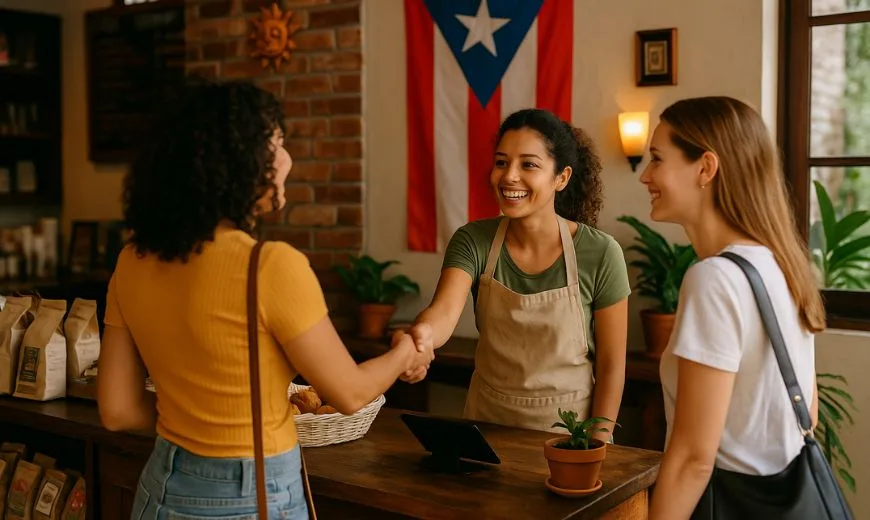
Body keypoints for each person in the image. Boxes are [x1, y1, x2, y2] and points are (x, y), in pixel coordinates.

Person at [96, 80, 432, 520]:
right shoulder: (269, 266)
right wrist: (408, 349)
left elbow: (118, 411)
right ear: (239, 163)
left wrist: (196, 413)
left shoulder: (131, 261)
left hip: (161, 485)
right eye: (277, 143)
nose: (287, 158)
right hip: (248, 493)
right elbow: (349, 393)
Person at [642, 96, 823, 519]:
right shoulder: (781, 266)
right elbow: (807, 416)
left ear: (706, 168)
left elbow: (693, 459)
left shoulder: (715, 279)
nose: (646, 175)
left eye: (656, 159)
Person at [401, 108, 631, 436]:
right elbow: (442, 314)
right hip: (486, 429)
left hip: (568, 438)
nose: (509, 176)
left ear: (561, 178)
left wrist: (598, 444)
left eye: (528, 164)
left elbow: (611, 367)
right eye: (501, 162)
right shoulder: (473, 240)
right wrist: (421, 337)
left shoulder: (601, 253)